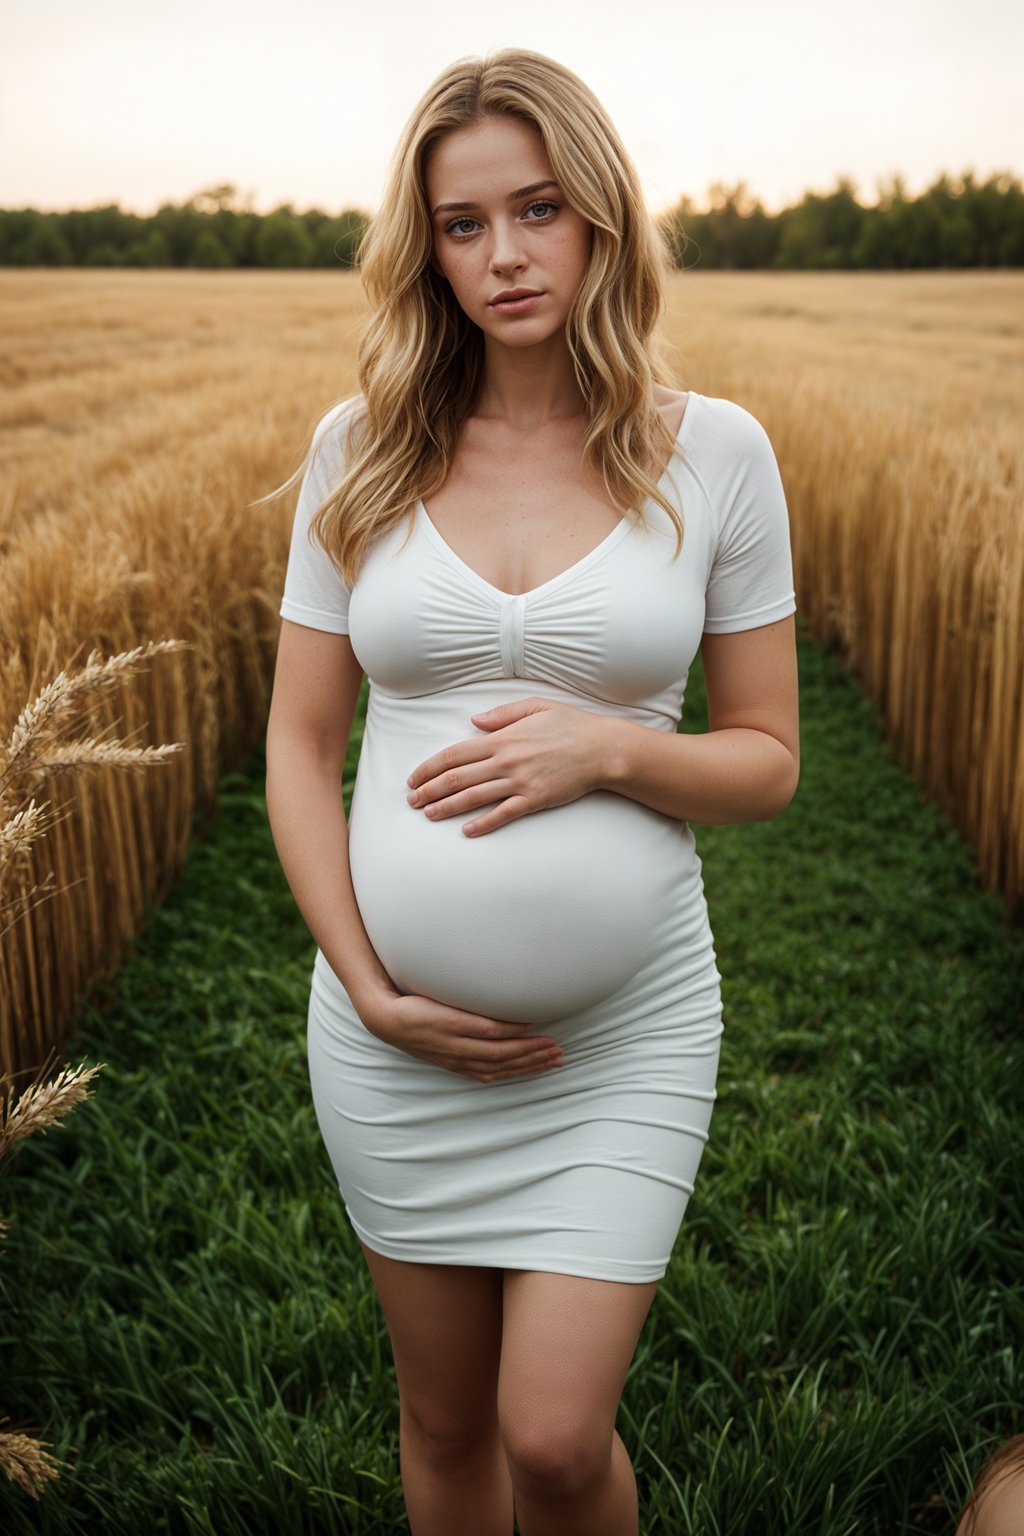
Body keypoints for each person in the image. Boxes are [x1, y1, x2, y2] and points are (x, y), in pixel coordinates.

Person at [264, 46, 800, 1536]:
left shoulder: (718, 456)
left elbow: (766, 759)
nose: (505, 255)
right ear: (423, 246)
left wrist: (611, 747)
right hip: (394, 1045)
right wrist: (368, 986)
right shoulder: (358, 452)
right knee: (443, 1421)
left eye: (540, 209)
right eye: (462, 223)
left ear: (601, 219)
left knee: (554, 1438)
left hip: (620, 1039)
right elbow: (303, 749)